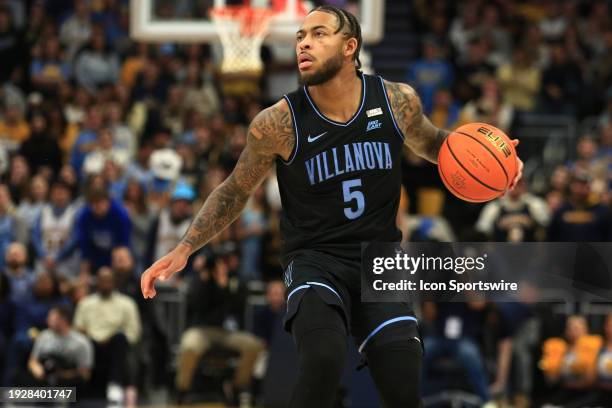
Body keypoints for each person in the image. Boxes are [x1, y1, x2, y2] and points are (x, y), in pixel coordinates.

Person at [141, 6, 523, 407]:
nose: (304, 42)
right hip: (315, 260)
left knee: (404, 380)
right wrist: (185, 248)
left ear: (349, 47)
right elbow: (235, 190)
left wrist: (500, 162)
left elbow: (435, 144)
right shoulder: (277, 123)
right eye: (301, 35)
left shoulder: (396, 101)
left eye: (319, 34)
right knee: (323, 358)